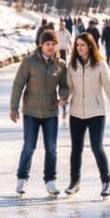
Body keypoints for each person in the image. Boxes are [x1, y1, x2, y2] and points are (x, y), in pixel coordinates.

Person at [10, 30, 68, 197]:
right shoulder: (29, 62)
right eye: (47, 44)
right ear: (41, 45)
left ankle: (50, 181)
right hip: (31, 111)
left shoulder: (61, 64)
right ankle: (22, 178)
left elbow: (65, 85)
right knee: (29, 146)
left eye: (53, 44)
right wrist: (13, 107)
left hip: (50, 112)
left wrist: (63, 96)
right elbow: (18, 84)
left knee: (51, 149)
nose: (51, 47)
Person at [65, 33, 110, 198]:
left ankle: (106, 181)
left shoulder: (100, 65)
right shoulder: (72, 65)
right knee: (76, 149)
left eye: (83, 45)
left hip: (96, 113)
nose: (79, 48)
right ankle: (74, 182)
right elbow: (69, 88)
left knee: (97, 147)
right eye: (77, 45)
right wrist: (62, 98)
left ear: (90, 46)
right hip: (76, 113)